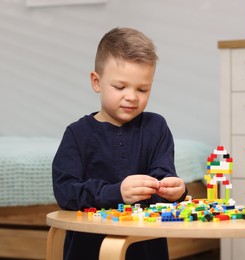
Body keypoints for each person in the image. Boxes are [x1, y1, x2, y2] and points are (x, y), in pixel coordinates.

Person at [52, 27, 187, 260]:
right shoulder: (77, 133)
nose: (132, 96)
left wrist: (176, 193)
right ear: (97, 81)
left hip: (146, 250)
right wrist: (117, 192)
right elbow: (66, 192)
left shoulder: (157, 127)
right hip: (88, 251)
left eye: (142, 89)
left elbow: (163, 179)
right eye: (120, 87)